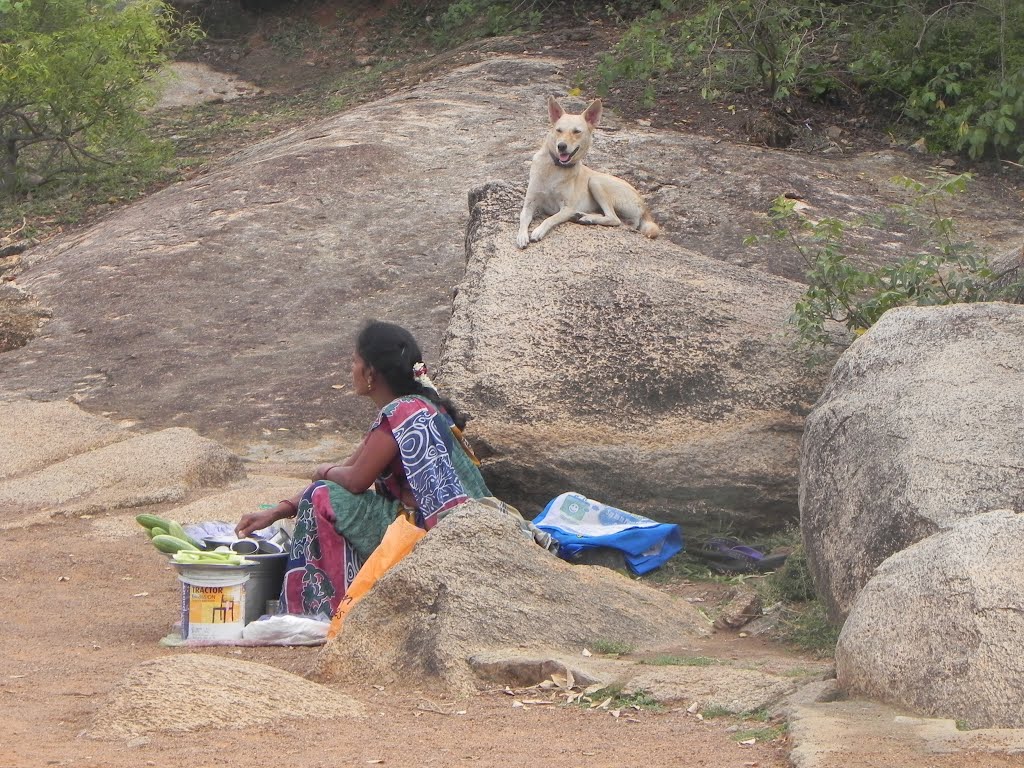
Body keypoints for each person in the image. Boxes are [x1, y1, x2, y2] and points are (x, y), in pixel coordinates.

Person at [235, 320, 491, 617]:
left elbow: (355, 481)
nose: (351, 369)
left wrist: (323, 471)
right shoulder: (409, 408)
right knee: (325, 490)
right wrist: (278, 511)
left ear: (371, 372)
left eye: (354, 361)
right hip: (433, 525)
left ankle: (319, 609)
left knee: (322, 495)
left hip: (424, 530)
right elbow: (349, 468)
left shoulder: (403, 411)